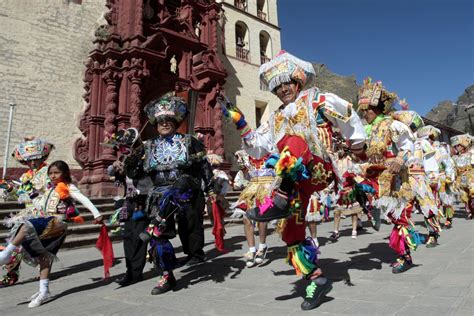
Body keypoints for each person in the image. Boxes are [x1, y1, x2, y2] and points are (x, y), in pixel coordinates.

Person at [221, 51, 366, 310]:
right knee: (290, 232)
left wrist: (357, 145)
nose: (282, 89)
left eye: (286, 83)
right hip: (294, 182)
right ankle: (316, 279)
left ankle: (280, 198)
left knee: (294, 141)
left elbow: (347, 113)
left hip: (317, 168)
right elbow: (258, 147)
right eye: (277, 87)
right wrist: (240, 120)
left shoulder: (317, 99)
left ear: (297, 82)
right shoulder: (276, 117)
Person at [127, 93, 215, 295]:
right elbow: (136, 173)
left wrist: (210, 189)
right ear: (155, 124)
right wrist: (129, 160)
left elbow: (204, 166)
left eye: (168, 121)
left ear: (175, 122)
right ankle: (167, 275)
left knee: (189, 224)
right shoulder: (148, 146)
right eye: (160, 121)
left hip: (184, 191)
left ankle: (194, 253)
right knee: (158, 234)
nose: (164, 124)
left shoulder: (189, 141)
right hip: (158, 193)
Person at [0, 160, 104, 308]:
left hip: (57, 223)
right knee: (45, 257)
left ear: (65, 173)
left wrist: (97, 214)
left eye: (56, 173)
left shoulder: (68, 187)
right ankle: (44, 291)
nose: (53, 176)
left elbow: (83, 199)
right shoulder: (49, 189)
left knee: (26, 226)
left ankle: (6, 255)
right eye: (51, 173)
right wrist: (28, 192)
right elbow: (39, 203)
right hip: (46, 221)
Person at [358, 79, 423, 274]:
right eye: (362, 110)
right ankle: (370, 210)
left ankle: (406, 257)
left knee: (399, 217)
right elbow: (366, 154)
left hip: (395, 179)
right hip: (378, 177)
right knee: (355, 185)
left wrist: (400, 160)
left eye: (366, 110)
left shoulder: (391, 125)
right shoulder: (369, 131)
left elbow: (407, 145)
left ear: (376, 109)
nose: (364, 114)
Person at [1, 137, 54, 287]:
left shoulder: (48, 171)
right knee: (16, 243)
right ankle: (11, 274)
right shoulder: (26, 175)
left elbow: (51, 191)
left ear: (42, 157)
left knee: (41, 245)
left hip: (43, 213)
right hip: (28, 212)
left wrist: (36, 192)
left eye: (35, 159)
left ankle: (44, 273)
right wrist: (11, 189)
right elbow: (21, 194)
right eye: (29, 160)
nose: (32, 162)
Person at [105, 128, 154, 286]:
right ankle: (129, 271)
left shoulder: (146, 157)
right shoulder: (123, 158)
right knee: (127, 237)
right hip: (127, 201)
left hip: (142, 201)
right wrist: (116, 165)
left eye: (126, 146)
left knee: (139, 236)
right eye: (121, 147)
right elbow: (110, 171)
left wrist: (133, 166)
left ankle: (136, 272)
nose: (123, 149)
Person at [392, 112, 441, 248]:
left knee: (427, 207)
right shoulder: (396, 142)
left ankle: (433, 234)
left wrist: (433, 176)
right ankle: (408, 237)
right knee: (403, 210)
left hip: (419, 179)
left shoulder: (422, 143)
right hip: (403, 181)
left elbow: (430, 161)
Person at [230, 149, 273, 268]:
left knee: (261, 218)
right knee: (246, 218)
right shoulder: (247, 155)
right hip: (252, 187)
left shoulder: (272, 154)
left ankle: (262, 246)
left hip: (266, 187)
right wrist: (242, 164)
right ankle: (251, 250)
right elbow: (245, 174)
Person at [450, 134, 473, 219]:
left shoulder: (470, 154)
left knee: (472, 194)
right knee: (464, 197)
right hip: (460, 179)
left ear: (463, 146)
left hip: (470, 177)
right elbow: (452, 169)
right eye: (456, 146)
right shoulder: (454, 158)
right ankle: (469, 212)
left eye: (458, 145)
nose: (457, 147)